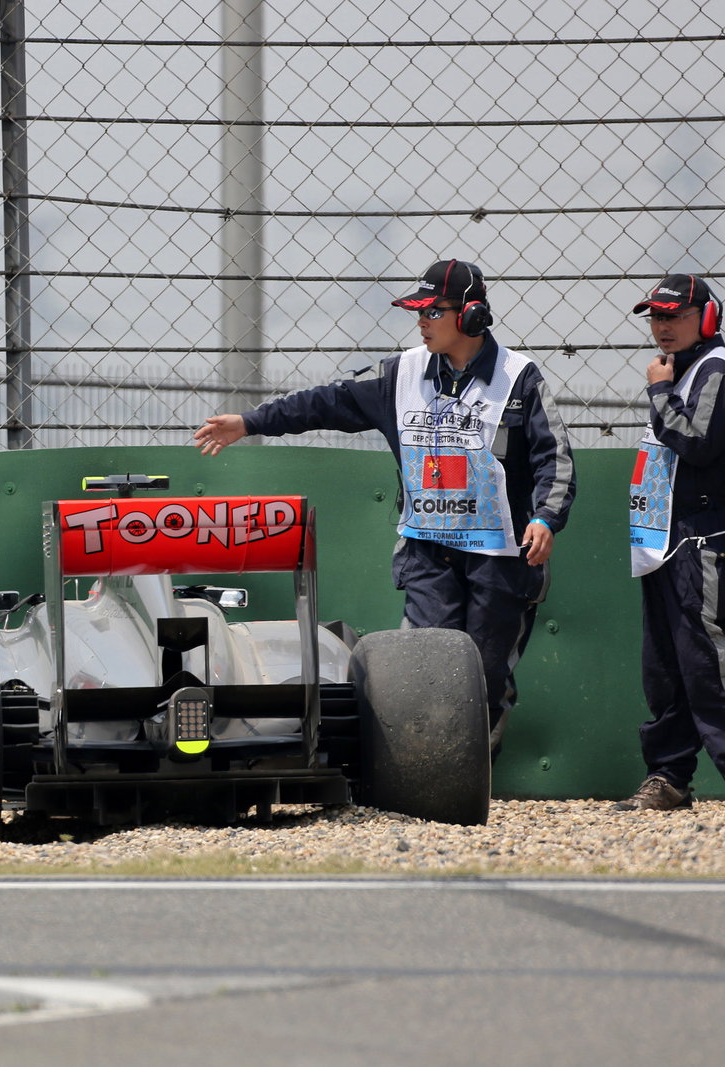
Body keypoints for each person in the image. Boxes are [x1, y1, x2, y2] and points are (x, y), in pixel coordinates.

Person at [194, 259, 576, 759]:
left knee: (485, 676)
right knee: (425, 670)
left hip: (502, 558)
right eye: (418, 312)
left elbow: (555, 458)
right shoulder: (400, 373)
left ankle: (469, 779)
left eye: (432, 311)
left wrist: (546, 518)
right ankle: (425, 777)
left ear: (471, 315)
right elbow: (325, 402)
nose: (421, 322)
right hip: (428, 552)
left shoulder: (518, 378)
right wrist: (251, 421)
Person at [617, 273, 725, 811]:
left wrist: (659, 391)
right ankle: (668, 776)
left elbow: (698, 442)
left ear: (706, 318)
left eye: (674, 316)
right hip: (662, 540)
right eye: (656, 317)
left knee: (708, 667)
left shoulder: (715, 368)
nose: (662, 326)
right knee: (664, 669)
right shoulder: (678, 370)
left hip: (702, 540)